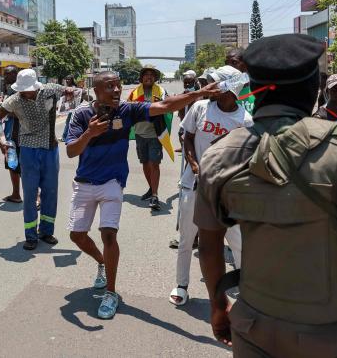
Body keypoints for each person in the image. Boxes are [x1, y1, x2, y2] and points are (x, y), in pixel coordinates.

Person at [195, 33, 337, 354]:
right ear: (315, 88)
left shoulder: (219, 154)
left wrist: (217, 303)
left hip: (254, 326)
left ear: (255, 90)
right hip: (329, 330)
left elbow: (210, 246)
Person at [65, 71, 221, 319]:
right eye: (110, 87)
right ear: (96, 91)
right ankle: (102, 262)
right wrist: (89, 134)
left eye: (118, 86)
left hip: (112, 183)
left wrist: (200, 93)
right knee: (77, 235)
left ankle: (110, 293)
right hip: (84, 183)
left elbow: (166, 105)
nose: (117, 91)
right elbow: (71, 151)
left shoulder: (127, 110)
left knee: (108, 234)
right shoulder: (82, 114)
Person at [169, 68, 252, 307]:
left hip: (225, 190)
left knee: (237, 239)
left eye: (215, 83)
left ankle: (246, 288)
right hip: (193, 184)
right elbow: (188, 138)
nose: (210, 87)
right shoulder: (200, 107)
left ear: (229, 88)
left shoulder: (244, 120)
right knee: (187, 238)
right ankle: (182, 284)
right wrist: (194, 165)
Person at [0, 69, 71, 250]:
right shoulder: (14, 100)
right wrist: (1, 141)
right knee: (31, 194)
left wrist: (72, 92)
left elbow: (76, 93)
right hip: (28, 151)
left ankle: (47, 231)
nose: (25, 93)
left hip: (50, 149)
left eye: (28, 90)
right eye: (22, 90)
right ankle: (31, 235)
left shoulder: (50, 90)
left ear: (36, 86)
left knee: (50, 192)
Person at [128, 65, 173, 211]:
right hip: (140, 133)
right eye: (146, 74)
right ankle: (151, 188)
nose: (148, 77)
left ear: (155, 78)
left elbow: (170, 105)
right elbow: (127, 110)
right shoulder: (134, 93)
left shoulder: (161, 91)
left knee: (154, 164)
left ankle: (154, 195)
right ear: (141, 78)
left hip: (155, 133)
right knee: (145, 163)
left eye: (151, 75)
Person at [0, 66, 22, 203]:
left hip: (16, 134)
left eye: (7, 74)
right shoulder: (11, 89)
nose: (4, 76)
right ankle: (16, 194)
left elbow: (18, 113)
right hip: (12, 133)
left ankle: (36, 195)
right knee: (13, 165)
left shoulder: (16, 90)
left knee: (18, 164)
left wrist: (1, 104)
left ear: (14, 74)